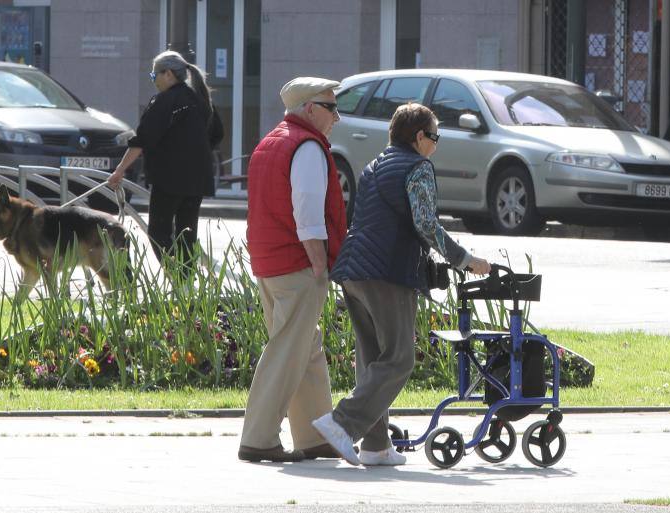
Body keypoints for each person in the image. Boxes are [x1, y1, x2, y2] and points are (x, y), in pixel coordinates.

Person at [312, 103, 491, 466]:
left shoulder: (374, 165)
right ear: (419, 137)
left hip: (353, 270)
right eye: (435, 137)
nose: (437, 145)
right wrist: (465, 260)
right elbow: (426, 225)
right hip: (387, 273)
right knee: (398, 359)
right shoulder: (418, 167)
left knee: (372, 358)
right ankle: (341, 423)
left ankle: (376, 446)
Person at [238, 77, 348, 462]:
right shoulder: (307, 146)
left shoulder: (272, 141)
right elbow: (307, 208)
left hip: (270, 261)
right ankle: (259, 438)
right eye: (331, 107)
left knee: (306, 349)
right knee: (288, 350)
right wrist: (319, 263)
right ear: (310, 109)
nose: (337, 116)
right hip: (297, 262)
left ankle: (316, 435)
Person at [108, 50, 223, 267]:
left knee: (159, 234)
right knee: (186, 235)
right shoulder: (200, 99)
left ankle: (179, 280)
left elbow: (142, 139)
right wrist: (195, 151)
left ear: (168, 74)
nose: (154, 81)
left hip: (169, 178)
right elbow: (218, 133)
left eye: (154, 76)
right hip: (197, 178)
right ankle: (187, 284)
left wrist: (120, 170)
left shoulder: (165, 101)